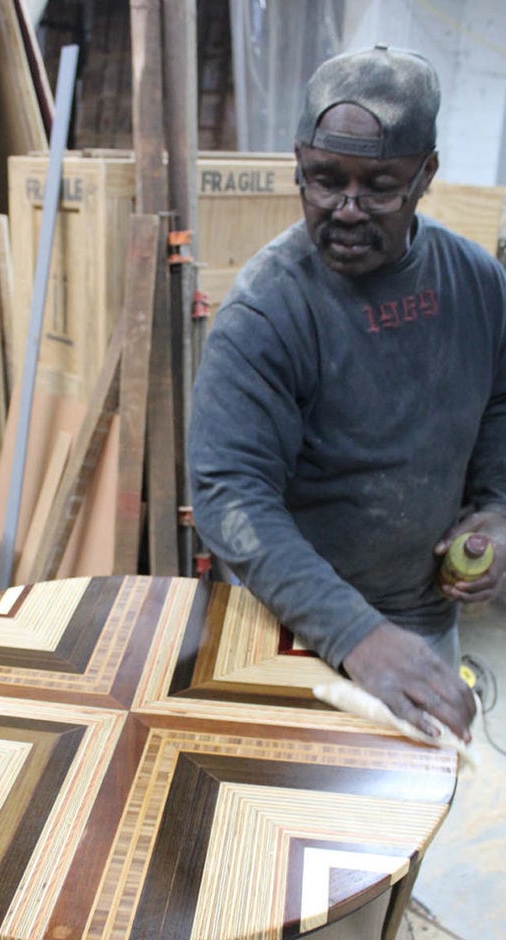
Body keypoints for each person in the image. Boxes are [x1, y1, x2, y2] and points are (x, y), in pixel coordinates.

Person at [187, 44, 506, 744]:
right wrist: (356, 632)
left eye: (381, 186)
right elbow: (228, 492)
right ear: (299, 160)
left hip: (423, 620)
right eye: (323, 180)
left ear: (427, 174)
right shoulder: (269, 312)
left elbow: (499, 404)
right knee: (287, 815)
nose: (348, 210)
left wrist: (497, 509)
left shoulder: (476, 282)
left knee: (407, 819)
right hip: (294, 626)